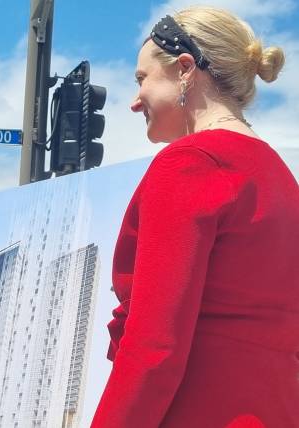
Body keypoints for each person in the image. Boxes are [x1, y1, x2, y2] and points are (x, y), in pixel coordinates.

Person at [92, 6, 299, 427]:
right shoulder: (280, 177)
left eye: (142, 79)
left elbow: (153, 349)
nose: (134, 102)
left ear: (185, 68)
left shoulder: (190, 162)